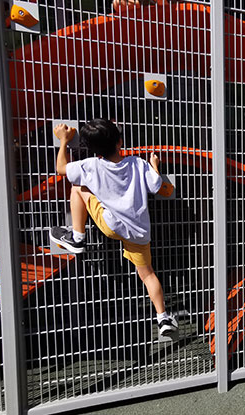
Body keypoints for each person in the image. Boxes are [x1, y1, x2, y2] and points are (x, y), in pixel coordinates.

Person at [49, 119, 178, 337]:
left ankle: (77, 236)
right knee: (147, 275)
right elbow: (156, 185)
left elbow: (61, 168)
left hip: (111, 225)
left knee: (78, 187)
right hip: (139, 231)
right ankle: (163, 317)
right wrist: (154, 164)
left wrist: (63, 141)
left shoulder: (90, 165)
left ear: (90, 148)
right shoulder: (138, 163)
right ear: (120, 142)